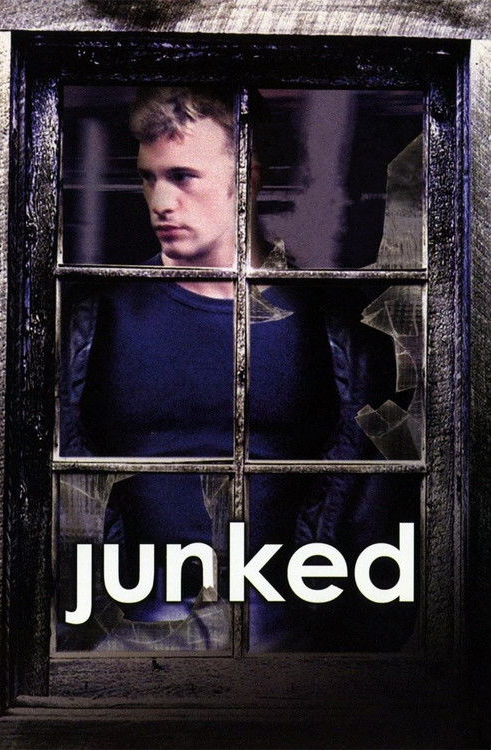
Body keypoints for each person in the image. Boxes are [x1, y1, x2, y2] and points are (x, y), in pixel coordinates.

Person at [60, 87, 418, 652]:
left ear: (247, 177)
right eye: (149, 178)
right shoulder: (97, 318)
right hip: (128, 627)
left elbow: (375, 506)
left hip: (287, 627)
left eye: (183, 176)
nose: (161, 200)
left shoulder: (327, 324)